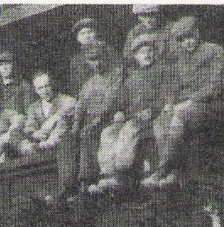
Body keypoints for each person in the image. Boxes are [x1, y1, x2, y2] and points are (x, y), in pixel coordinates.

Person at [148, 15, 224, 187]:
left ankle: (162, 170)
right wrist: (169, 103)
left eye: (190, 37)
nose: (187, 42)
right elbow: (174, 86)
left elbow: (216, 85)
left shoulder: (214, 51)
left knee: (180, 115)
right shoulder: (180, 58)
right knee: (160, 121)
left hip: (210, 104)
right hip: (185, 105)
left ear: (197, 33)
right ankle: (175, 172)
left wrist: (191, 100)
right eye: (182, 40)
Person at [93, 33, 173, 192]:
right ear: (135, 55)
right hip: (133, 117)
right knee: (108, 132)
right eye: (142, 52)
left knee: (132, 130)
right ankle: (110, 174)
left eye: (150, 50)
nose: (147, 54)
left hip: (154, 116)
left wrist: (153, 110)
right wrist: (119, 112)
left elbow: (168, 95)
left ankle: (125, 172)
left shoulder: (163, 71)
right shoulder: (132, 79)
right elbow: (120, 102)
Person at [72, 44, 124, 191]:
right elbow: (81, 104)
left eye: (99, 58)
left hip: (111, 117)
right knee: (79, 135)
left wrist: (98, 119)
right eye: (93, 60)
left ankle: (98, 178)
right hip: (93, 120)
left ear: (105, 58)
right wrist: (76, 122)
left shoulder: (116, 74)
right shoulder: (89, 82)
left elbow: (112, 99)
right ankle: (85, 182)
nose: (97, 63)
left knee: (91, 133)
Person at [21, 72, 77, 155]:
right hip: (40, 142)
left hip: (62, 146)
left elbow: (72, 102)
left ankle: (46, 145)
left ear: (51, 85)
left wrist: (54, 118)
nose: (45, 91)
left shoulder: (63, 99)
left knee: (62, 120)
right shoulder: (33, 107)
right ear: (36, 91)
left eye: (46, 86)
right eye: (40, 88)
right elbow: (29, 126)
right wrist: (35, 133)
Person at [69, 18, 117, 96]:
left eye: (90, 32)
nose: (87, 36)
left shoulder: (108, 51)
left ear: (96, 33)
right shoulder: (76, 61)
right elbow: (76, 88)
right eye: (82, 33)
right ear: (78, 38)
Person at [122, 5, 173, 72]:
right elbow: (127, 58)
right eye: (143, 16)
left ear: (157, 14)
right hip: (142, 71)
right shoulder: (134, 33)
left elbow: (174, 52)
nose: (148, 19)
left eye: (151, 15)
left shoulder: (169, 29)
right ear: (138, 17)